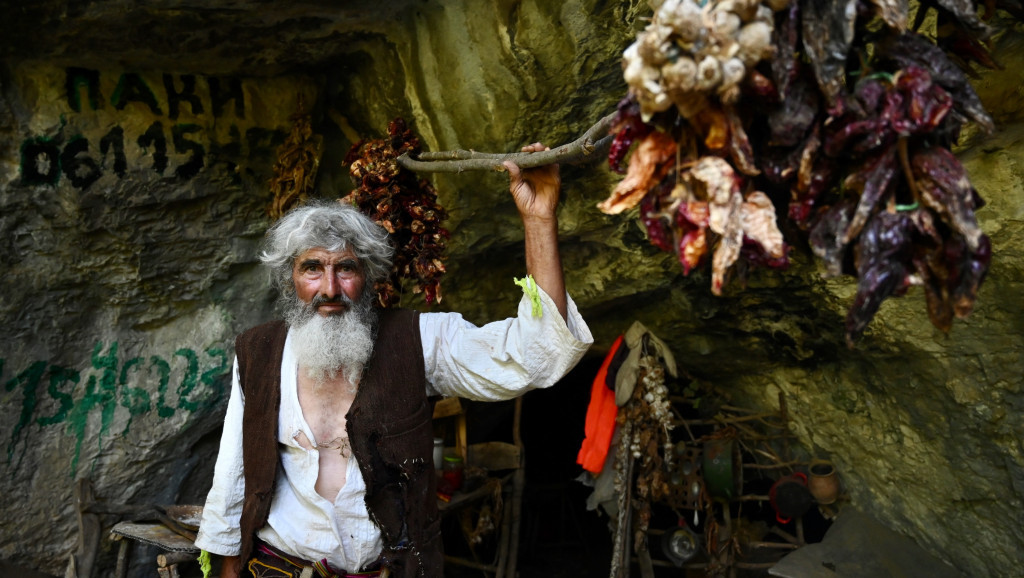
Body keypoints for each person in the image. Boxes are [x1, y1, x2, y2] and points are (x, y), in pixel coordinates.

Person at [194, 143, 594, 578]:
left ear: (368, 276)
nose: (329, 288)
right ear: (290, 278)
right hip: (275, 569)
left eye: (345, 268)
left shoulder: (418, 340)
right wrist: (225, 566)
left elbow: (536, 355)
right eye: (312, 268)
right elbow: (233, 470)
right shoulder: (258, 351)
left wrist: (538, 220)